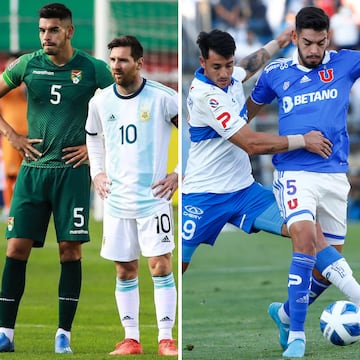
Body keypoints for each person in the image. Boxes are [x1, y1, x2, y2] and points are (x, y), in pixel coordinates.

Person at [182, 25, 360, 356]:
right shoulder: (204, 95)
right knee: (175, 266)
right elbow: (250, 143)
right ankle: (166, 325)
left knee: (309, 235)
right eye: (216, 67)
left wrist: (281, 40)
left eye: (227, 65)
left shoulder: (231, 73)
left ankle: (301, 316)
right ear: (202, 63)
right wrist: (301, 141)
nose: (224, 74)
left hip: (245, 193)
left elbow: (251, 63)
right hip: (203, 196)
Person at [246, 6, 360, 358]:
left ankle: (284, 313)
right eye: (308, 43)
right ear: (294, 37)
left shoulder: (345, 62)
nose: (314, 51)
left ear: (329, 39)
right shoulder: (276, 72)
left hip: (334, 175)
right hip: (294, 172)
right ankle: (297, 335)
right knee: (306, 243)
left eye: (321, 43)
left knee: (329, 265)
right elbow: (245, 114)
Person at [0, 3, 113, 354]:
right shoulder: (26, 64)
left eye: (53, 30)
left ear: (69, 31)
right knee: (16, 248)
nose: (46, 37)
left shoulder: (93, 68)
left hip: (73, 174)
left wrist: (96, 149)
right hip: (34, 172)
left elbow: (122, 108)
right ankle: (5, 332)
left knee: (70, 251)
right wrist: (13, 136)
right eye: (42, 30)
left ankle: (63, 334)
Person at [86, 35, 178, 356]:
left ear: (139, 63)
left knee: (160, 265)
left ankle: (166, 338)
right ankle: (131, 339)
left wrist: (178, 173)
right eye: (112, 60)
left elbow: (192, 136)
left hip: (153, 198)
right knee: (125, 269)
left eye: (122, 60)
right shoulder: (100, 101)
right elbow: (93, 138)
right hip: (116, 199)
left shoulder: (164, 98)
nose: (115, 66)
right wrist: (96, 172)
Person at [0, 54, 28, 217]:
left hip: (31, 136)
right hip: (10, 137)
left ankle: (29, 209)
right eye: (11, 66)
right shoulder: (6, 88)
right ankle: (9, 208)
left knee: (30, 175)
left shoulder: (29, 85)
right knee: (11, 175)